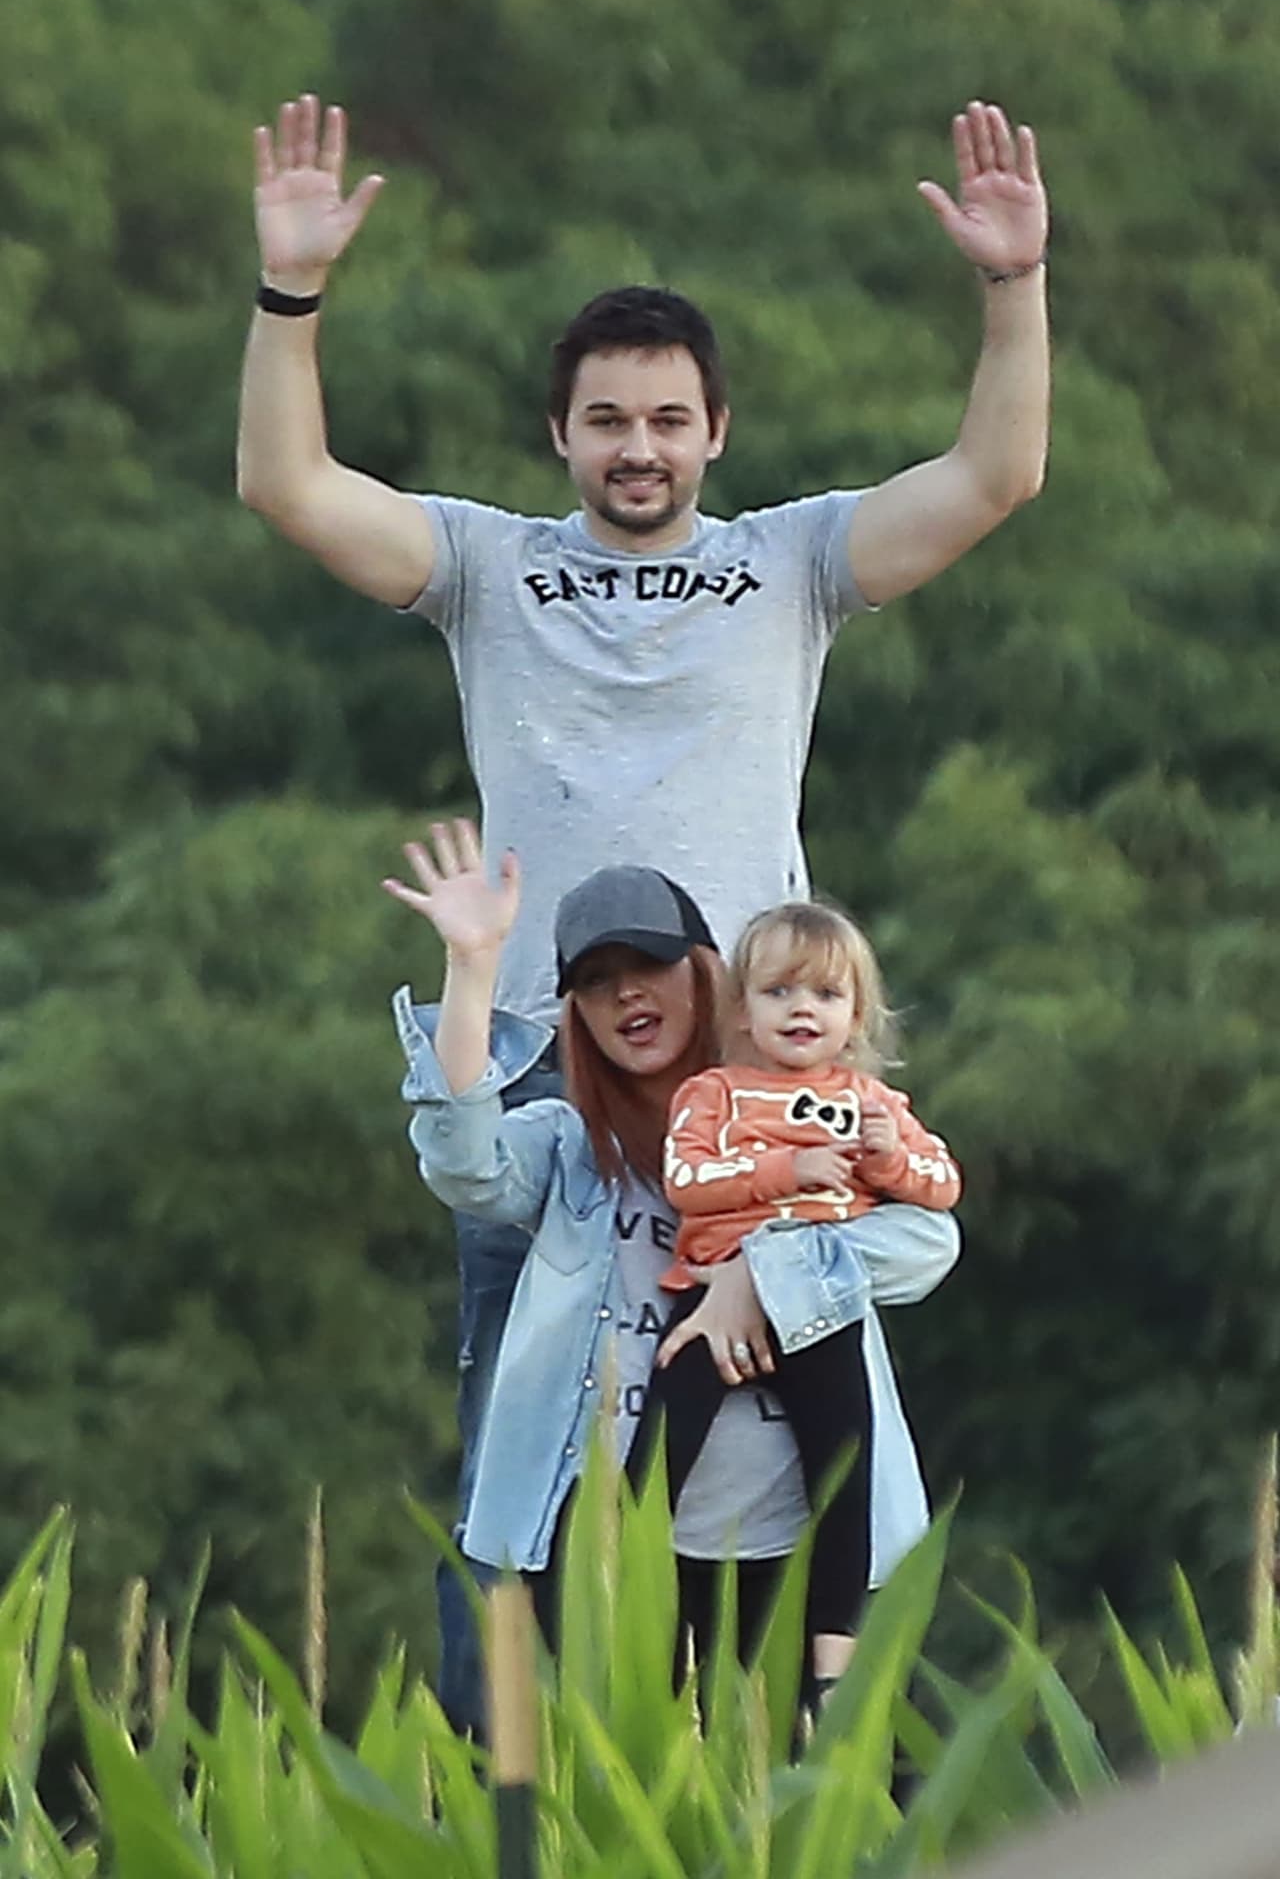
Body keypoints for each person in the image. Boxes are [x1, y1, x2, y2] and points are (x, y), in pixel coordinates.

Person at [239, 91, 1047, 1721]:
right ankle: (507, 1784)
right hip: (549, 1069)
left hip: (752, 1076)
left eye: (668, 420)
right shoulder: (486, 567)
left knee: (800, 1427)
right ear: (561, 434)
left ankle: (803, 1755)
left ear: (716, 432)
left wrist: (1014, 285)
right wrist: (290, 291)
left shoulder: (789, 566)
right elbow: (289, 486)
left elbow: (995, 475)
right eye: (607, 419)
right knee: (525, 1445)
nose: (638, 447)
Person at [384, 820, 960, 1712]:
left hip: (805, 1546)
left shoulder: (806, 1112)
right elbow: (466, 1162)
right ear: (577, 1013)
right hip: (627, 1556)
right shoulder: (570, 1146)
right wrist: (472, 965)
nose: (627, 995)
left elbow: (929, 1241)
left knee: (836, 1786)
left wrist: (756, 1277)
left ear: (706, 977)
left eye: (649, 966)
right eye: (597, 981)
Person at [633, 900, 961, 1695]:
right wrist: (789, 1171)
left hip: (816, 1309)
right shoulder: (713, 1095)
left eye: (825, 994)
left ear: (856, 1017)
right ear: (742, 1010)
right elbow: (688, 1180)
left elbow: (942, 1187)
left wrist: (887, 1162)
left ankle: (832, 1659)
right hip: (712, 1294)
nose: (802, 1009)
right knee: (657, 1455)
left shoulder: (874, 1103)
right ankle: (634, 1622)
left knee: (843, 1465)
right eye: (779, 992)